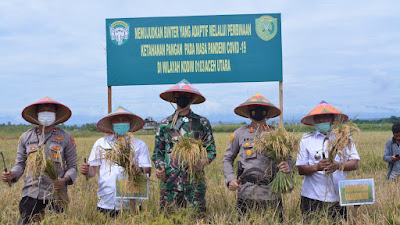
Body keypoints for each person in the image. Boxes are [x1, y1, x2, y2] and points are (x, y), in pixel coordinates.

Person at [1, 97, 77, 224]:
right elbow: (20, 165)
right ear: (37, 115)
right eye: (42, 110)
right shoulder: (26, 137)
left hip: (55, 196)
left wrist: (64, 180)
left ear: (55, 114)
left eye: (50, 110)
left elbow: (73, 167)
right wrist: (11, 174)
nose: (46, 113)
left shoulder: (66, 138)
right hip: (31, 194)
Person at [223, 93, 293, 217]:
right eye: (254, 109)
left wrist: (288, 166)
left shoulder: (277, 134)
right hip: (247, 192)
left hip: (271, 192)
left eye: (262, 109)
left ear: (267, 112)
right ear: (249, 112)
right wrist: (230, 179)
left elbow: (289, 158)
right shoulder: (240, 134)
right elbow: (228, 158)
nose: (258, 111)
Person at [152, 79, 216, 214]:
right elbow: (158, 151)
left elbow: (211, 150)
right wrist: (160, 167)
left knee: (196, 218)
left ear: (192, 98)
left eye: (186, 96)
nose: (182, 99)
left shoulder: (202, 123)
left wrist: (203, 161)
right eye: (179, 96)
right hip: (169, 183)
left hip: (194, 183)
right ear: (174, 98)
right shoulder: (165, 124)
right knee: (168, 219)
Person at [80, 106, 152, 218]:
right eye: (117, 120)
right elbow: (93, 170)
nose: (120, 123)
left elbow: (147, 169)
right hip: (106, 201)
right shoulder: (101, 143)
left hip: (132, 202)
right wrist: (86, 171)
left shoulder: (139, 144)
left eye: (124, 120)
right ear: (111, 123)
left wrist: (138, 169)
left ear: (130, 122)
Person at [296, 101, 360, 221]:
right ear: (314, 120)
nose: (322, 120)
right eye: (319, 118)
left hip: (338, 197)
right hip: (311, 197)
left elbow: (354, 163)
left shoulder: (344, 138)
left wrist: (338, 165)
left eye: (325, 117)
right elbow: (300, 169)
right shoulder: (306, 139)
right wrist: (316, 167)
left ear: (332, 119)